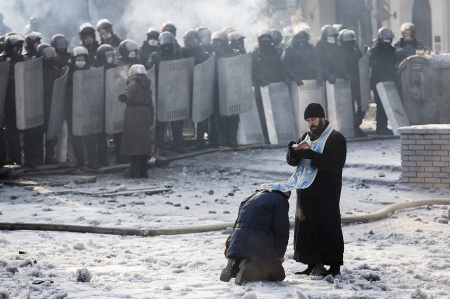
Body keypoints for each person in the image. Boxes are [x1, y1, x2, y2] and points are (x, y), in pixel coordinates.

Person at [263, 103, 346, 277]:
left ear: (322, 118)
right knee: (307, 227)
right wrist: (293, 153)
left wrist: (312, 156)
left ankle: (334, 265)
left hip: (326, 192)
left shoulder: (336, 138)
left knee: (327, 227)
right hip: (306, 191)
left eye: (313, 119)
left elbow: (335, 164)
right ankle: (312, 263)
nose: (311, 124)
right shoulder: (306, 137)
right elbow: (294, 162)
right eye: (308, 120)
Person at [220, 188, 291, 285]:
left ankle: (234, 264)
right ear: (285, 194)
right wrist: (279, 255)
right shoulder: (280, 200)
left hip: (236, 244)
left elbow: (236, 225)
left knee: (246, 253)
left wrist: (229, 249)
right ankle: (249, 269)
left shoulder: (251, 197)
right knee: (278, 274)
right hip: (257, 244)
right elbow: (281, 232)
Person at [148, 31, 184, 155]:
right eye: (165, 45)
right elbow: (150, 71)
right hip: (160, 92)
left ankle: (178, 144)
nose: (167, 47)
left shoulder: (178, 55)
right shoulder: (155, 56)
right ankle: (160, 147)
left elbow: (183, 70)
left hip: (174, 91)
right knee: (161, 122)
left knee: (176, 121)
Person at [252, 29, 288, 143]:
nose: (266, 40)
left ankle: (278, 134)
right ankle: (265, 135)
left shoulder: (276, 52)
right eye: (263, 38)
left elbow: (281, 66)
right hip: (261, 87)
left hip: (275, 86)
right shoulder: (255, 53)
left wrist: (284, 78)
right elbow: (253, 70)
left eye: (268, 37)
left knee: (277, 110)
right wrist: (261, 80)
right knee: (262, 111)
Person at [118, 64, 154, 178]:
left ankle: (134, 172)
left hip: (134, 114)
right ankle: (144, 172)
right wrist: (151, 118)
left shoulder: (133, 83)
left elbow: (128, 92)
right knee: (143, 145)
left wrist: (124, 96)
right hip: (145, 113)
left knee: (133, 144)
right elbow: (150, 104)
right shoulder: (147, 84)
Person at [181, 29, 211, 150]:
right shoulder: (181, 52)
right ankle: (183, 140)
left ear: (196, 40)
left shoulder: (202, 53)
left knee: (201, 116)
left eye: (189, 40)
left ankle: (200, 141)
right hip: (185, 87)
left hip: (199, 87)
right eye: (185, 40)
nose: (187, 43)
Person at [210, 30, 240, 148]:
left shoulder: (234, 54)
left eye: (219, 42)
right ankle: (223, 139)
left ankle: (232, 139)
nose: (217, 45)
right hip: (217, 90)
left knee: (233, 116)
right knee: (220, 116)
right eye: (215, 42)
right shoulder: (212, 56)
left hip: (232, 88)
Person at [0, 34, 26, 166]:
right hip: (5, 101)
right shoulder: (3, 60)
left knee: (16, 132)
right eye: (15, 46)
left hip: (21, 101)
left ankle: (19, 160)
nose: (17, 49)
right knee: (6, 132)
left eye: (19, 46)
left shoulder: (24, 59)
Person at [36, 43, 61, 164]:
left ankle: (50, 157)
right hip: (38, 104)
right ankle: (38, 158)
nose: (50, 58)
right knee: (37, 132)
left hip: (51, 104)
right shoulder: (35, 70)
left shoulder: (55, 69)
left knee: (51, 132)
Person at [338, 29, 366, 137]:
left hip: (358, 81)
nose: (349, 43)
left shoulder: (356, 51)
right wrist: (346, 74)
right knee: (348, 106)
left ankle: (356, 124)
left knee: (362, 105)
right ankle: (351, 127)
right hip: (345, 82)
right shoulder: (339, 52)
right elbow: (341, 65)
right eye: (347, 41)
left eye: (351, 41)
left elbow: (361, 64)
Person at [369, 27, 396, 135]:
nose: (387, 42)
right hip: (378, 81)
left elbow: (394, 62)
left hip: (388, 79)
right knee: (380, 104)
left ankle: (384, 126)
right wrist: (381, 63)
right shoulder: (375, 49)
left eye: (389, 39)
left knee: (387, 104)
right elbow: (370, 62)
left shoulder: (391, 49)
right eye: (386, 39)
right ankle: (380, 127)